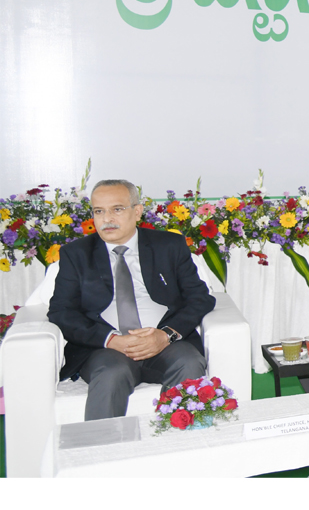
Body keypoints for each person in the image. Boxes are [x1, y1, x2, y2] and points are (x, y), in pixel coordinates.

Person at [46, 179, 214, 421]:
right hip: (105, 349)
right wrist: (111, 340)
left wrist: (165, 335)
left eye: (117, 209)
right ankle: (103, 444)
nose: (107, 218)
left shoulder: (168, 245)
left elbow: (199, 298)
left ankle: (179, 441)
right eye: (98, 211)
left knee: (189, 363)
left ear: (137, 211)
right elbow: (61, 312)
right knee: (112, 373)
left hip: (165, 343)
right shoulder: (76, 254)